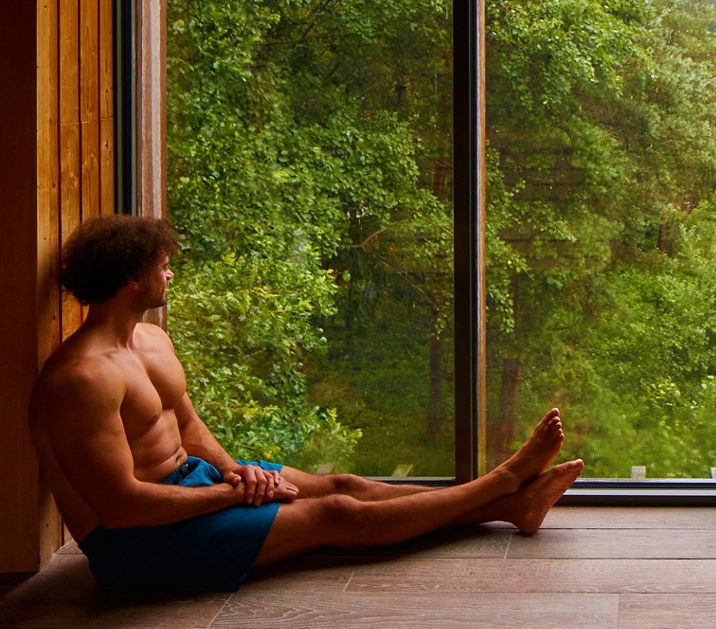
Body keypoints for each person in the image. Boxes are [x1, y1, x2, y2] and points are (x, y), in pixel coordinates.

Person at [28, 214, 584, 590]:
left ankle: (511, 505)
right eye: (161, 265)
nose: (169, 271)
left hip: (193, 484)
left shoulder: (150, 340)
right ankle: (501, 484)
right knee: (333, 514)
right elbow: (121, 508)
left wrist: (237, 472)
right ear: (131, 280)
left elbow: (189, 425)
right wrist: (230, 495)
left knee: (343, 484)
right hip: (137, 550)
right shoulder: (82, 378)